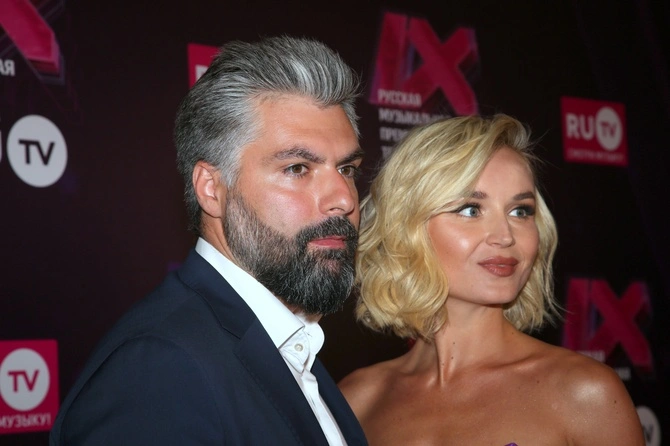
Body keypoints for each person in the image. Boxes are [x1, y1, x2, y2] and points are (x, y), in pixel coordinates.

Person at [50, 35, 367, 445]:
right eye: (297, 168)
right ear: (211, 189)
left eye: (346, 169)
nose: (344, 199)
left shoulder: (288, 343)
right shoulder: (159, 372)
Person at [338, 114, 644, 445]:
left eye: (520, 211)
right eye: (471, 209)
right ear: (405, 226)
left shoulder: (584, 394)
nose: (505, 236)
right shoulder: (357, 401)